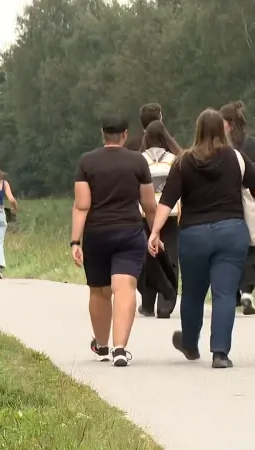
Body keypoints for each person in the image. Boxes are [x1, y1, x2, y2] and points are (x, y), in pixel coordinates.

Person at [149, 108, 255, 369]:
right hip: (231, 233)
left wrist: (155, 231)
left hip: (194, 235)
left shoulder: (183, 161)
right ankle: (220, 353)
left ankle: (190, 344)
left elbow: (167, 200)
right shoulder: (237, 159)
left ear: (197, 130)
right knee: (224, 293)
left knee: (193, 294)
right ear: (222, 129)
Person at [71, 116, 157, 367]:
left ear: (103, 134)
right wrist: (154, 233)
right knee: (125, 288)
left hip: (97, 234)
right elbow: (149, 205)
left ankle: (102, 345)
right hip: (130, 232)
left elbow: (81, 205)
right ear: (125, 135)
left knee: (99, 290)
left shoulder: (87, 162)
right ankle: (120, 348)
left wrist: (75, 242)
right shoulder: (137, 161)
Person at [137, 120, 182, 318]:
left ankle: (147, 302)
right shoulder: (175, 159)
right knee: (170, 257)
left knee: (147, 257)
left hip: (145, 214)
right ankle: (166, 304)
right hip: (170, 215)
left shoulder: (139, 159)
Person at [221, 101, 255, 315]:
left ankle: (233, 292)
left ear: (229, 123)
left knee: (229, 249)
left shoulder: (222, 147)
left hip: (226, 202)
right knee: (251, 246)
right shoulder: (251, 143)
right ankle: (247, 291)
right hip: (249, 200)